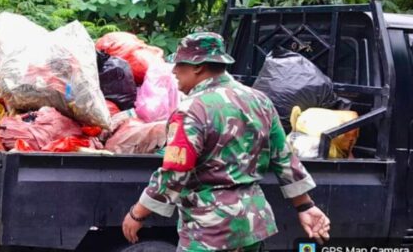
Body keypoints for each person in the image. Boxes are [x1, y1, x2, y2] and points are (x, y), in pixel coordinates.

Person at [122, 32, 331, 251]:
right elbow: (284, 159)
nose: (174, 71)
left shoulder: (191, 110)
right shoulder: (260, 101)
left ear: (197, 66)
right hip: (252, 225)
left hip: (210, 231)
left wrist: (138, 213)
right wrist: (305, 206)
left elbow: (175, 172)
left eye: (179, 64)